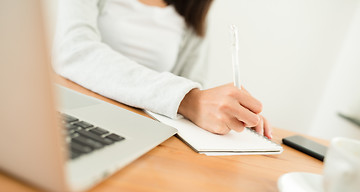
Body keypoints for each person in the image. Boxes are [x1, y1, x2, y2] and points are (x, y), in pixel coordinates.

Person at [53, 0, 272, 139]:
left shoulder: (191, 14)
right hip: (72, 114)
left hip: (137, 132)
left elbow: (193, 87)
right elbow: (73, 50)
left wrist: (224, 113)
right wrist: (187, 99)